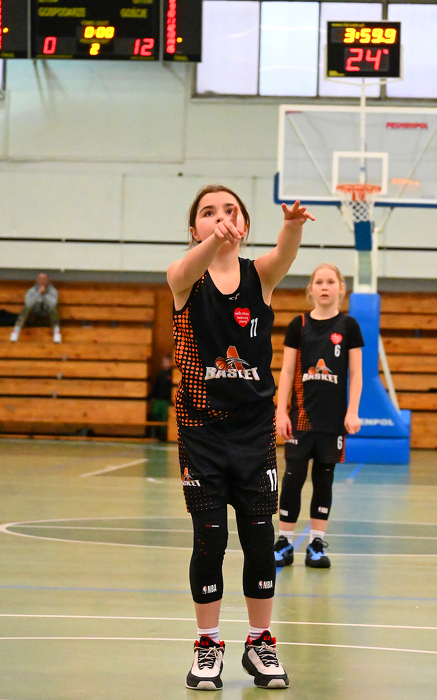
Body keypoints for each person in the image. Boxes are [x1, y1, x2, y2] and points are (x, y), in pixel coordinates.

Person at [167, 184, 315, 691]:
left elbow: (284, 256)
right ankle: (208, 645)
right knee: (209, 539)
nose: (221, 218)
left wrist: (291, 227)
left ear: (246, 225)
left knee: (258, 537)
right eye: (208, 213)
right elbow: (185, 270)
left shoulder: (260, 276)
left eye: (230, 211)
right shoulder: (183, 278)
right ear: (194, 229)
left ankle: (260, 643)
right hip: (200, 432)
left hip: (253, 433)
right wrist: (214, 241)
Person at [274, 264, 363, 570]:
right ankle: (284, 542)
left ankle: (315, 544)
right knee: (293, 479)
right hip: (300, 419)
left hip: (332, 421)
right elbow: (287, 372)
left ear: (341, 289)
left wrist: (353, 411)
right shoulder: (298, 325)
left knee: (324, 480)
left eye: (331, 281)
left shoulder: (349, 326)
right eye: (319, 282)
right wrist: (280, 411)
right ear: (310, 289)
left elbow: (356, 373)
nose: (325, 286)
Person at [10, 273, 61, 343]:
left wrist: (45, 295)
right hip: (33, 315)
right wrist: (38, 293)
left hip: (47, 316)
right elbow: (28, 303)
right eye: (40, 279)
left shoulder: (53, 291)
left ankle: (57, 331)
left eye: (44, 279)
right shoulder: (32, 290)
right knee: (26, 309)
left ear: (48, 281)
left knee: (53, 311)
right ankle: (16, 330)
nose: (42, 281)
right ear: (37, 280)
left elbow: (53, 304)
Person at [148, 354, 173, 441]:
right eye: (163, 362)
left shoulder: (172, 374)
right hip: (158, 400)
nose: (165, 364)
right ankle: (154, 435)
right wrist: (152, 396)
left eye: (167, 362)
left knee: (164, 418)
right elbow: (155, 386)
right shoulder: (160, 374)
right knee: (155, 415)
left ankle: (164, 436)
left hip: (166, 401)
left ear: (171, 363)